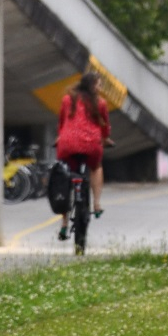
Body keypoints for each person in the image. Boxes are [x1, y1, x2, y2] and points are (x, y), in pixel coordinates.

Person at [55, 71, 113, 240]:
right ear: (92, 86)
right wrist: (106, 138)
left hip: (67, 144)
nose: (100, 88)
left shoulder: (67, 100)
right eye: (99, 85)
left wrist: (61, 136)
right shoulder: (100, 103)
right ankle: (96, 204)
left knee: (65, 177)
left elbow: (61, 122)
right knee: (96, 167)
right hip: (92, 145)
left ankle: (64, 224)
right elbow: (105, 127)